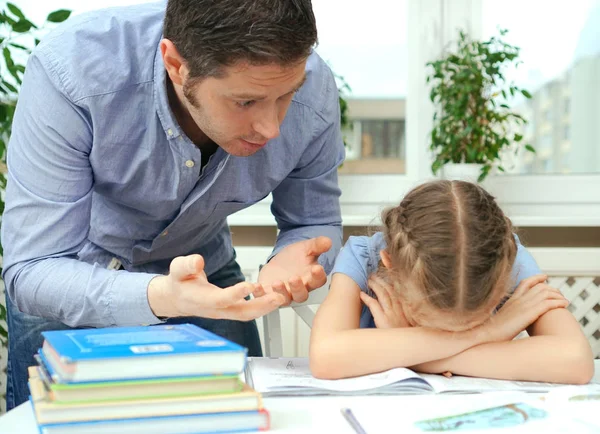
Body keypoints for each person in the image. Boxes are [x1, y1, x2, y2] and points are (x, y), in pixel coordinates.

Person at [2, 0, 345, 409]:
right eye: (245, 102)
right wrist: (164, 295)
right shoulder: (72, 70)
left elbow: (315, 221)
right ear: (176, 64)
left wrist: (296, 257)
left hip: (207, 272)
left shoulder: (313, 82)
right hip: (74, 272)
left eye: (287, 95)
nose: (272, 129)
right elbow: (34, 269)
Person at [310, 180, 594, 383]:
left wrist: (419, 359)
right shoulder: (362, 258)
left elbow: (575, 361)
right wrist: (487, 332)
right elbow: (326, 357)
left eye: (471, 325)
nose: (456, 336)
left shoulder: (501, 257)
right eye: (434, 327)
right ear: (390, 266)